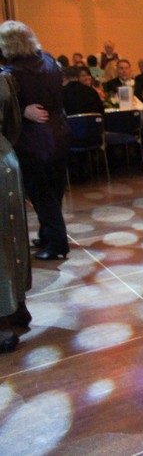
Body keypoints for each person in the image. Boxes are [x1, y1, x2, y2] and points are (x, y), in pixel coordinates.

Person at [0, 20, 71, 260]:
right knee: (54, 191)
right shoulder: (50, 61)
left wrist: (22, 110)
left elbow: (5, 109)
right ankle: (47, 235)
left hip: (34, 140)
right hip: (59, 133)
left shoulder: (11, 74)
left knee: (42, 195)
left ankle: (57, 244)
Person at [0, 71, 32, 353]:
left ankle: (4, 317)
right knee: (12, 235)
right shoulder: (4, 78)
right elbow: (13, 126)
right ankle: (16, 305)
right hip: (5, 157)